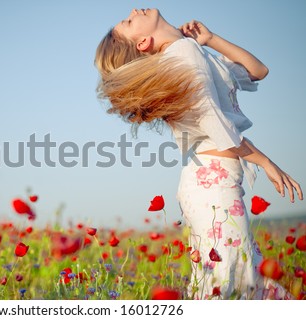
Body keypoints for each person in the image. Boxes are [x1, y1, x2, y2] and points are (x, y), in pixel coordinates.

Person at [94, 8, 303, 299]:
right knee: (230, 281)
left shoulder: (188, 52)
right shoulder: (181, 56)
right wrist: (265, 162)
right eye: (129, 22)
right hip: (213, 186)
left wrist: (210, 39)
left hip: (212, 183)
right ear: (142, 43)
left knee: (240, 278)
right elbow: (217, 125)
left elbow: (257, 71)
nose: (132, 11)